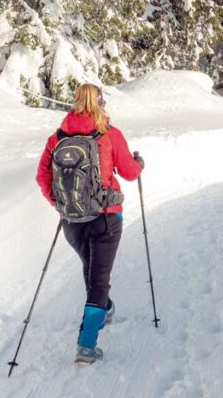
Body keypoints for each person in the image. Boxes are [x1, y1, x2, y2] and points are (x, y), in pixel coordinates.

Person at [36, 83, 144, 364]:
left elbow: (42, 177)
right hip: (106, 216)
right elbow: (130, 173)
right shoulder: (109, 134)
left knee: (92, 269)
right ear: (101, 103)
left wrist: (60, 204)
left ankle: (104, 308)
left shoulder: (57, 138)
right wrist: (139, 163)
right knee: (99, 279)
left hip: (72, 221)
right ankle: (86, 344)